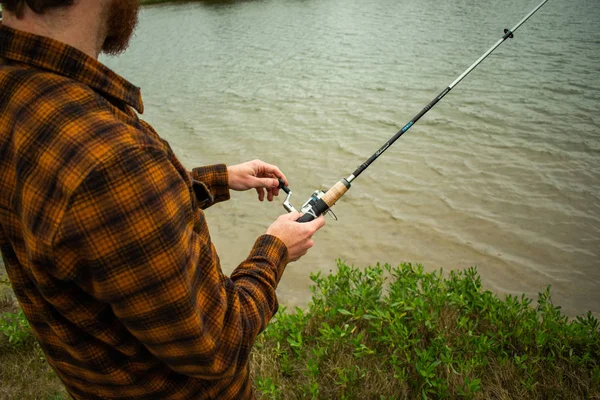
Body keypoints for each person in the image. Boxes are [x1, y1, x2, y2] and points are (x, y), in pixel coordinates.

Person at [0, 0, 326, 398]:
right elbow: (216, 343)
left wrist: (216, 179)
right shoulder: (112, 159)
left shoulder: (16, 91)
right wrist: (274, 250)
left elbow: (102, 228)